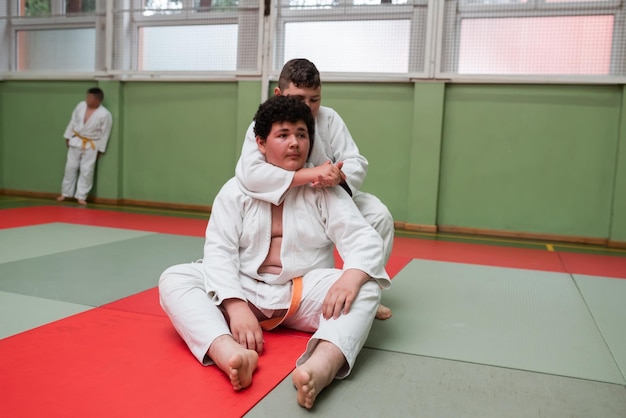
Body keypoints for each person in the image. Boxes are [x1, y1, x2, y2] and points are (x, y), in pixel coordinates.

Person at [159, 95, 390, 409]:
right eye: (283, 135)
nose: (294, 142)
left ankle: (320, 365)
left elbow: (363, 239)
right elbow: (219, 251)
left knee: (364, 288)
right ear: (261, 143)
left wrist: (352, 277)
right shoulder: (235, 191)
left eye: (301, 134)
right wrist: (235, 305)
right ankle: (229, 353)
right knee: (175, 278)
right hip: (243, 289)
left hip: (300, 293)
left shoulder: (324, 190)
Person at [235, 58, 394, 320]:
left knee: (378, 214)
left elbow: (356, 160)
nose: (308, 107)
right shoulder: (264, 124)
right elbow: (251, 173)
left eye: (314, 99)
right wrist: (310, 174)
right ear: (279, 94)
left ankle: (365, 288)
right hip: (282, 199)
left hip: (329, 192)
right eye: (299, 99)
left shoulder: (330, 119)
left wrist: (338, 176)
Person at [56, 87, 112, 205]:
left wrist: (101, 150)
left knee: (86, 170)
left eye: (90, 98)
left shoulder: (105, 114)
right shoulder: (80, 106)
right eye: (87, 96)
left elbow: (105, 133)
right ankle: (65, 193)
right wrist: (68, 136)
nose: (87, 99)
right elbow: (73, 121)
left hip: (92, 144)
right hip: (76, 140)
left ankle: (81, 196)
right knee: (70, 167)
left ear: (98, 100)